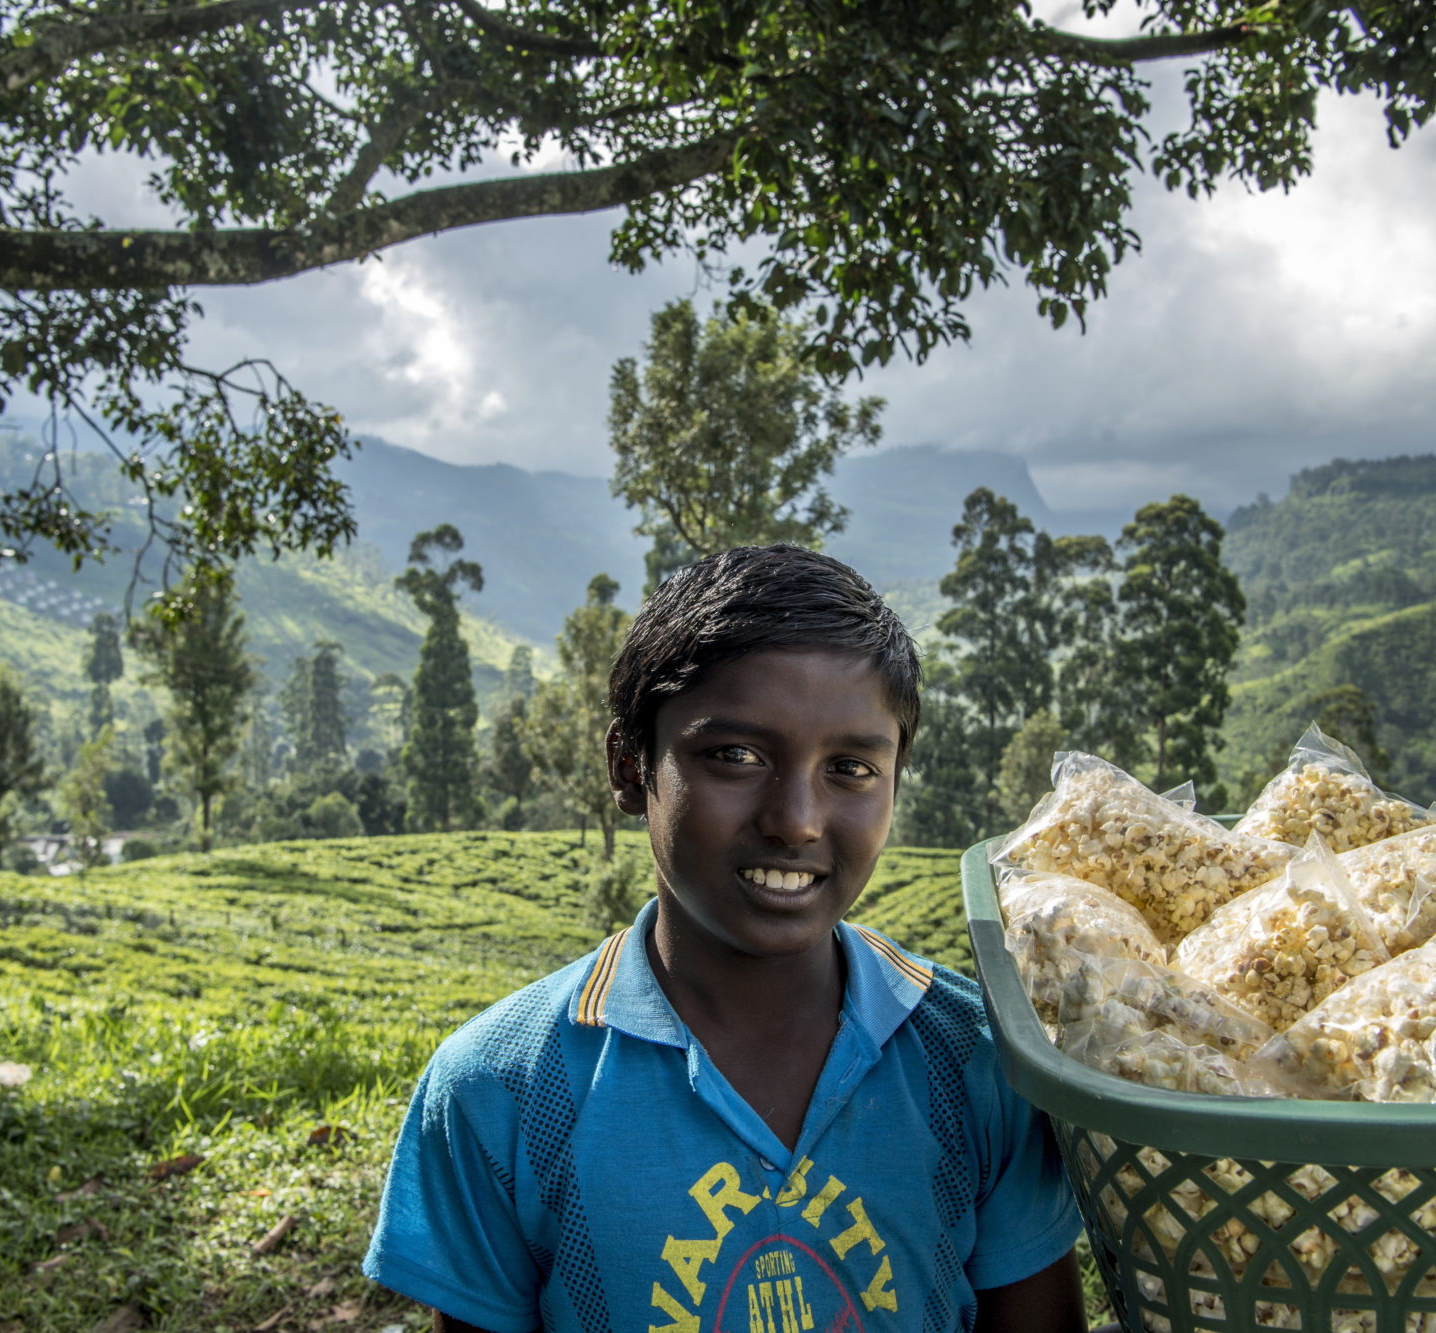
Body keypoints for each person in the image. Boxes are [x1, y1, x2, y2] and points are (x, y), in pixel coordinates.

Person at [364, 544, 1086, 1332]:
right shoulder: (499, 1090)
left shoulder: (980, 1061)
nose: (797, 820)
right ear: (629, 765)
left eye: (850, 768)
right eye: (735, 756)